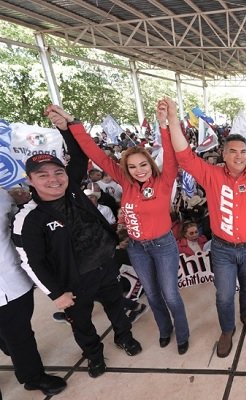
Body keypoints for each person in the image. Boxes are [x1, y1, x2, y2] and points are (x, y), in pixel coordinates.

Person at [45, 100, 190, 355]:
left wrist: (163, 124)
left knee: (170, 294)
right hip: (137, 248)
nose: (138, 171)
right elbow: (96, 153)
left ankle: (183, 334)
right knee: (152, 294)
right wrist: (71, 123)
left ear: (151, 164)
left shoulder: (164, 180)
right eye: (132, 167)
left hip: (163, 245)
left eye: (143, 165)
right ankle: (164, 329)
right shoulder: (125, 181)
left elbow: (170, 154)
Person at [12, 108, 142, 379]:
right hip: (73, 282)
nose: (53, 179)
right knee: (82, 324)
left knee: (116, 307)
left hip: (105, 266)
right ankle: (94, 356)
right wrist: (55, 293)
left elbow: (80, 156)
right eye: (43, 175)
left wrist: (66, 129)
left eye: (58, 172)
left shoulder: (71, 188)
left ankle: (124, 337)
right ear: (29, 180)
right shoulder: (29, 218)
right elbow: (32, 262)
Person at [166, 98, 246, 358]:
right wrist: (173, 120)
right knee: (224, 296)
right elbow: (184, 156)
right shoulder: (211, 175)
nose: (239, 155)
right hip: (222, 250)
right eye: (233, 151)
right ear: (224, 154)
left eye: (243, 151)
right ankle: (227, 330)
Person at [0, 188, 67, 396]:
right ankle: (30, 373)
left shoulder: (2, 195)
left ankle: (30, 374)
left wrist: (18, 199)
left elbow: (17, 219)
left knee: (19, 333)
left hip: (13, 282)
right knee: (16, 336)